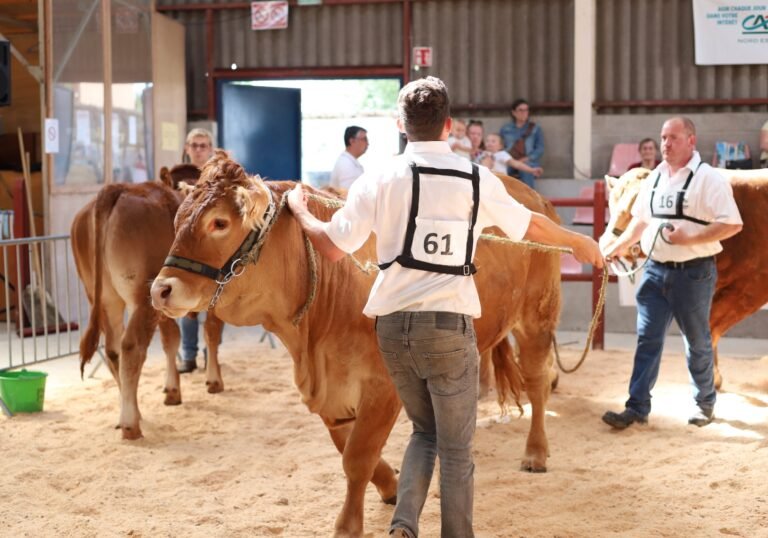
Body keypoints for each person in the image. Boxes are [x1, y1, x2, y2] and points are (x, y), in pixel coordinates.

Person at [287, 76, 603, 538]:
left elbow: (334, 247)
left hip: (392, 330)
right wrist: (578, 242)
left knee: (424, 432)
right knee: (456, 450)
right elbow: (530, 224)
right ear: (450, 126)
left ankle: (403, 527)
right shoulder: (476, 177)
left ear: (400, 125)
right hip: (449, 328)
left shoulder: (379, 177)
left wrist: (301, 210)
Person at [601, 117, 743, 430]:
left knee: (696, 341)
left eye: (673, 138)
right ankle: (637, 407)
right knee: (646, 340)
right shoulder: (654, 177)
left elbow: (733, 224)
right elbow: (640, 221)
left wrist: (690, 238)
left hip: (693, 273)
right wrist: (619, 247)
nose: (665, 144)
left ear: (691, 141)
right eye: (663, 138)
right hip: (654, 271)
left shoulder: (709, 178)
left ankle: (704, 404)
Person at [178, 127, 215, 374]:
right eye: (195, 145)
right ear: (187, 148)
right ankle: (188, 356)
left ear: (210, 148)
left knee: (214, 306)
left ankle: (211, 356)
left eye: (203, 145)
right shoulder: (176, 176)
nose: (199, 150)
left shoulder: (217, 176)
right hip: (185, 251)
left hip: (212, 250)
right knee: (186, 306)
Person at [499, 99, 544, 189]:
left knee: (526, 169)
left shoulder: (535, 128)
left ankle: (529, 200)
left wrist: (526, 159)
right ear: (514, 112)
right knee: (500, 170)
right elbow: (500, 146)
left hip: (528, 161)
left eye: (526, 110)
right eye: (521, 110)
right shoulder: (506, 129)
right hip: (510, 160)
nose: (524, 113)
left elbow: (540, 148)